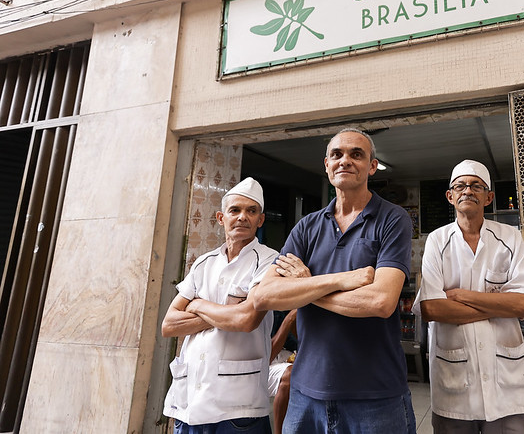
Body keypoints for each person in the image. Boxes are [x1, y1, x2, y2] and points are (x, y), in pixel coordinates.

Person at [249, 128, 416, 434]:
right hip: (305, 392)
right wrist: (343, 280)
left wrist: (305, 285)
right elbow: (262, 297)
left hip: (375, 395)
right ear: (326, 164)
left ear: (372, 166)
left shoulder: (393, 219)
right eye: (337, 154)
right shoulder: (307, 227)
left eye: (356, 154)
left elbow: (380, 302)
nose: (345, 161)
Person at [413, 160, 524, 434]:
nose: (468, 191)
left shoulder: (510, 238)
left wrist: (461, 296)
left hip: (507, 383)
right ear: (450, 196)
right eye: (460, 186)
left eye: (476, 186)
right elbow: (432, 309)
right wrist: (501, 306)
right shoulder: (438, 241)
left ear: (489, 197)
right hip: (455, 381)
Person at [162, 177, 278, 434]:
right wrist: (228, 310)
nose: (242, 217)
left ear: (260, 220)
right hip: (188, 399)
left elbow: (245, 321)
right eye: (234, 210)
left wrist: (197, 304)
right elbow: (169, 324)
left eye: (251, 211)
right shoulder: (204, 262)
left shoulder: (269, 261)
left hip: (239, 406)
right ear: (220, 217)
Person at [268, 309, 297, 434]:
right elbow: (267, 357)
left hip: (288, 356)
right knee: (290, 375)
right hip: (263, 365)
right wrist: (289, 319)